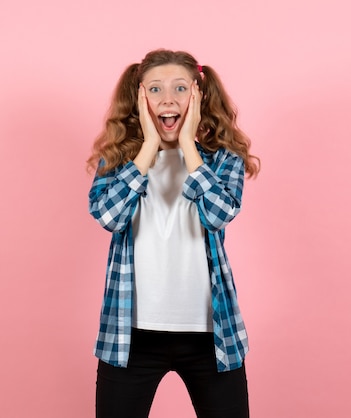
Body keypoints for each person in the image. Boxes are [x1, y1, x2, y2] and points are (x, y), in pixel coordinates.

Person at [86, 49, 260, 418]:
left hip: (211, 335)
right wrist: (148, 147)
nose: (168, 99)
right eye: (155, 89)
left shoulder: (222, 159)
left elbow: (219, 214)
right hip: (129, 335)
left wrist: (187, 148)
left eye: (181, 88)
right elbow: (108, 216)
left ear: (198, 95)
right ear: (139, 98)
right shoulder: (118, 161)